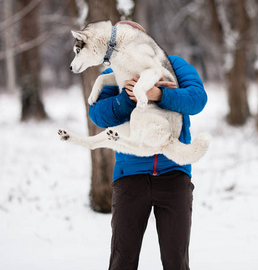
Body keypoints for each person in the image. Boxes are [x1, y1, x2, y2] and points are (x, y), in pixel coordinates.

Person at [89, 54, 208, 270]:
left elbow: (197, 99)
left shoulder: (174, 65)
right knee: (122, 260)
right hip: (130, 177)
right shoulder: (113, 72)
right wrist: (127, 98)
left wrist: (159, 94)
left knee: (176, 261)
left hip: (174, 174)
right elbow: (97, 115)